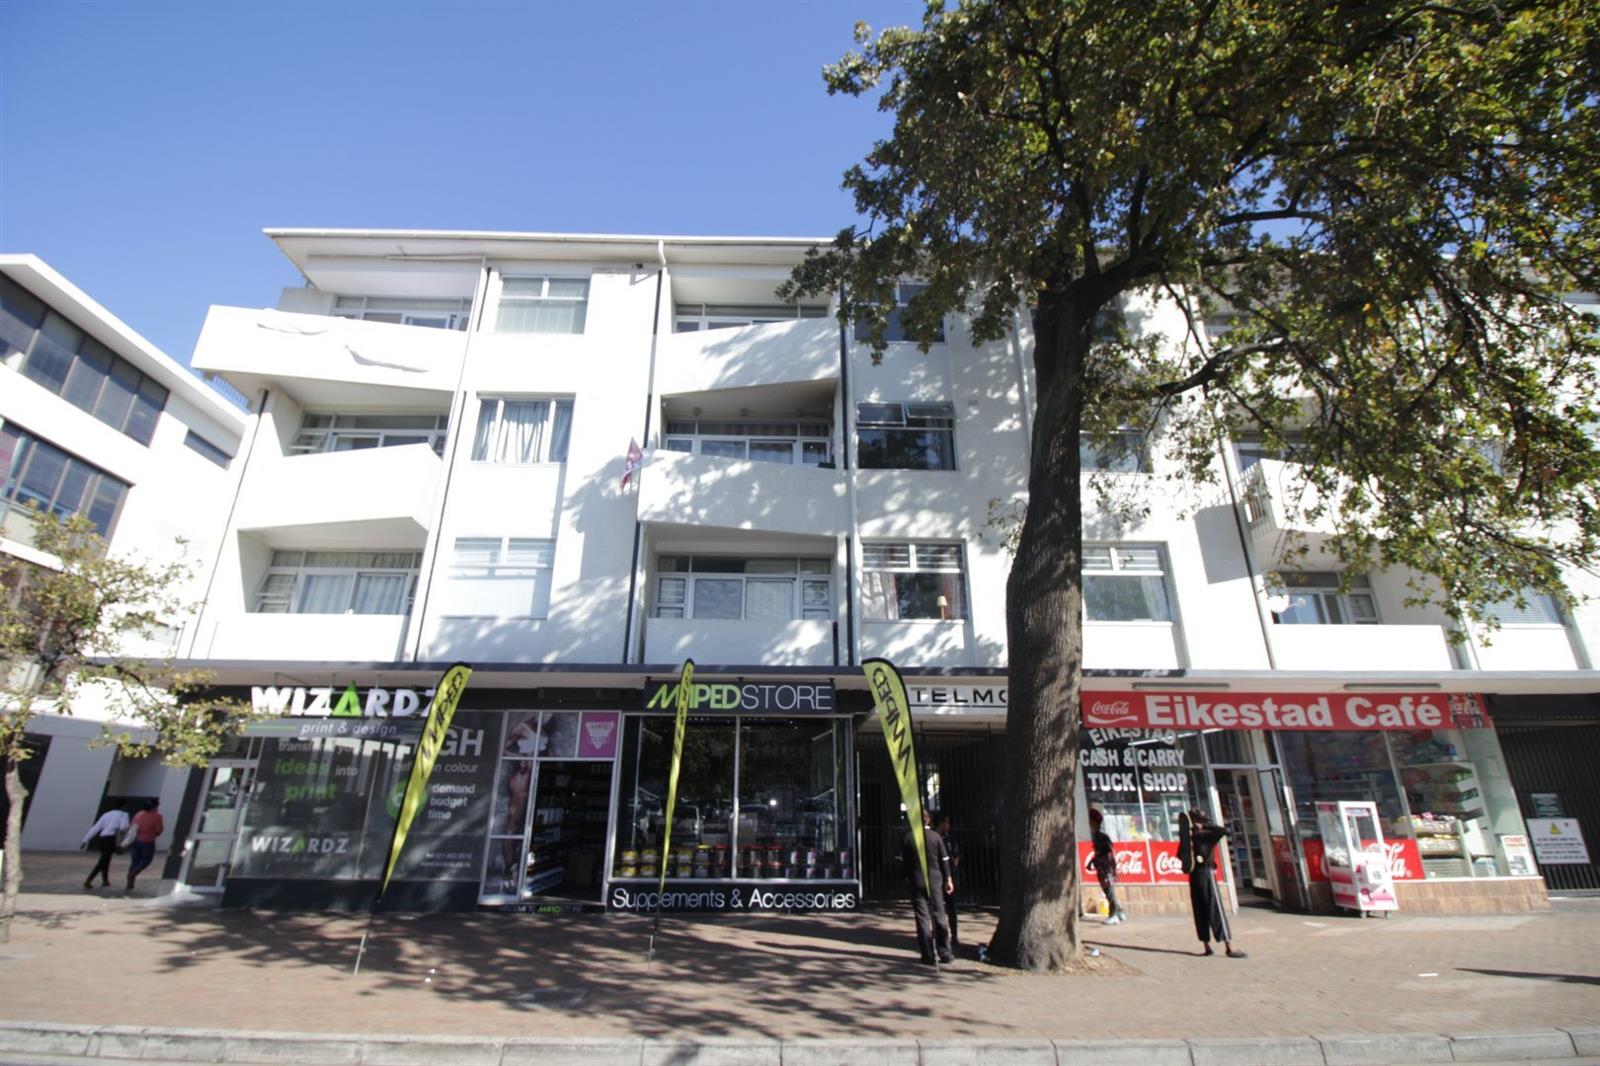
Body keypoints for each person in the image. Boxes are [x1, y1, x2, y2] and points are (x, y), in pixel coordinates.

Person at [1181, 808, 1245, 958]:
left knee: (1203, 910)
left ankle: (1211, 946)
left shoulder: (1193, 837)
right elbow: (1223, 831)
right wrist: (1205, 825)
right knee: (1212, 908)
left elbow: (1181, 855)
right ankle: (1225, 946)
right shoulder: (1202, 835)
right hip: (1204, 873)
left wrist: (1201, 827)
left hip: (1197, 874)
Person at [901, 808, 954, 965]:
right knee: (939, 914)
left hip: (917, 880)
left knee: (922, 917)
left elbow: (903, 862)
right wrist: (948, 879)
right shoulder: (935, 837)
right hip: (935, 879)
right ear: (928, 820)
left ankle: (927, 954)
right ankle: (945, 952)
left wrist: (906, 877)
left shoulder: (909, 838)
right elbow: (944, 860)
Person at [1087, 808, 1127, 924]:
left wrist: (1112, 867)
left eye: (1090, 820)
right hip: (1101, 867)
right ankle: (1119, 912)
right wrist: (1092, 862)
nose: (1089, 822)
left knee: (1109, 890)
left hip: (1106, 867)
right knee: (1106, 890)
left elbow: (1110, 851)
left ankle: (1113, 914)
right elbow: (1098, 852)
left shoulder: (1102, 836)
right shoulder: (1096, 835)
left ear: (1094, 822)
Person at [81, 803, 131, 890]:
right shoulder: (124, 814)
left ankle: (105, 880)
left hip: (103, 838)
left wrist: (85, 840)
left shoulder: (106, 814)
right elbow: (123, 827)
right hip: (112, 839)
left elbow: (96, 827)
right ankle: (89, 880)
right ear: (123, 807)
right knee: (103, 860)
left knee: (106, 859)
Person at [123, 799, 164, 892]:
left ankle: (130, 883)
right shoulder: (157, 816)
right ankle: (134, 873)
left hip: (135, 841)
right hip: (148, 841)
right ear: (155, 806)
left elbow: (132, 826)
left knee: (134, 861)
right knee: (147, 860)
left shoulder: (138, 814)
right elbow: (158, 830)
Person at [934, 811, 961, 948]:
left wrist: (952, 870)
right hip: (937, 876)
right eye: (946, 822)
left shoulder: (951, 838)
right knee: (937, 906)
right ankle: (939, 934)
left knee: (951, 907)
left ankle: (954, 934)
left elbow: (956, 855)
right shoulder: (934, 837)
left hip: (949, 876)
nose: (948, 825)